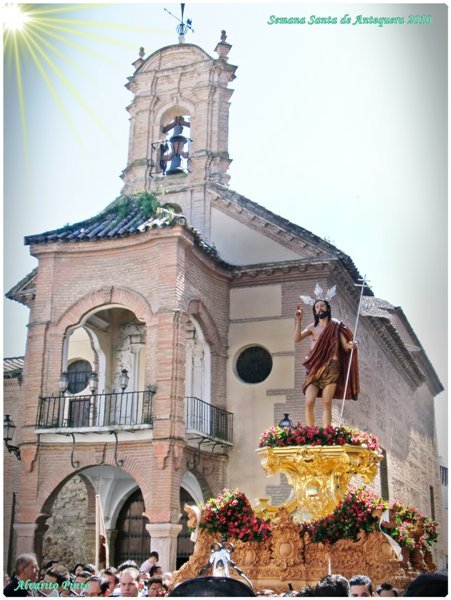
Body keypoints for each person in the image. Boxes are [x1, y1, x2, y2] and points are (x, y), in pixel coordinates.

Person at [294, 296, 358, 427]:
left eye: (322, 306)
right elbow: (297, 338)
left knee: (326, 402)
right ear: (315, 311)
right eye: (317, 307)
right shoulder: (312, 327)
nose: (319, 309)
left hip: (332, 367)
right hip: (314, 367)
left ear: (328, 308)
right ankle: (311, 433)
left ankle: (327, 433)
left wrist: (350, 345)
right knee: (309, 402)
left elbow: (345, 346)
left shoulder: (335, 326)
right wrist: (298, 320)